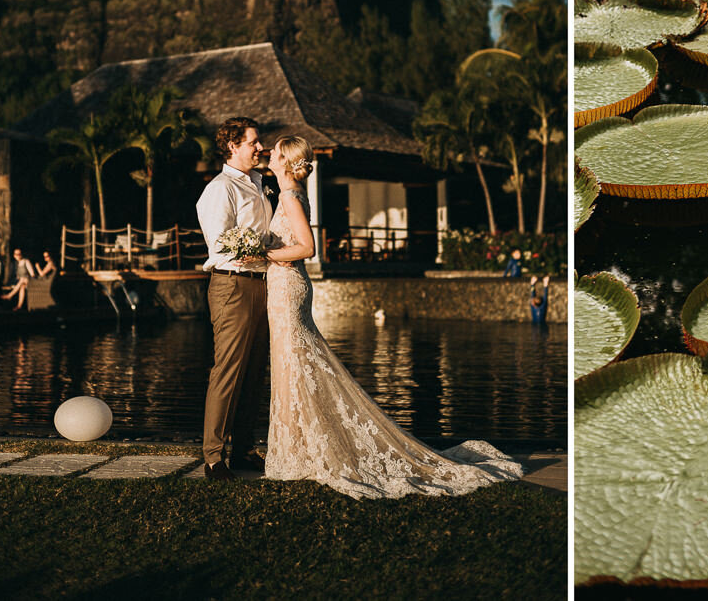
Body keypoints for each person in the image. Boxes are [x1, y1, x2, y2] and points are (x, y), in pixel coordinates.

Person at [262, 135, 522, 498]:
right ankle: (298, 448)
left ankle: (302, 452)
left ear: (287, 163)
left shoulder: (290, 196)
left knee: (296, 365)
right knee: (295, 366)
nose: (268, 156)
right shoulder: (293, 193)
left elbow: (307, 247)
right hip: (284, 288)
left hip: (288, 287)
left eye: (274, 153)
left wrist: (264, 254)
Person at [195, 116, 272, 482]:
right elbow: (221, 243)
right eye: (253, 142)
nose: (260, 147)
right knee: (228, 370)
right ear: (232, 146)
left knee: (255, 371)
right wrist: (261, 251)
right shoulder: (220, 189)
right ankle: (213, 457)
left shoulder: (258, 183)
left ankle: (243, 449)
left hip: (263, 284)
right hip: (232, 285)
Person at [1, 247, 36, 312]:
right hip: (22, 283)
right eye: (16, 254)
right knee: (22, 287)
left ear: (21, 254)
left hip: (29, 280)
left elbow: (32, 274)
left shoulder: (26, 261)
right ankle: (19, 306)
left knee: (23, 279)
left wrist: (25, 279)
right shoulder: (16, 264)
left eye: (19, 254)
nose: (17, 255)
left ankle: (9, 295)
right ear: (14, 255)